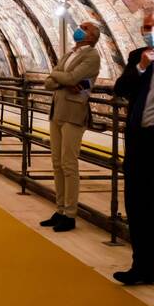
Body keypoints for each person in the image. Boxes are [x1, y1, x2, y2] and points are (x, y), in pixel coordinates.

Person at [112, 11, 154, 285]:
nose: (151, 31)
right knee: (136, 204)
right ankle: (142, 266)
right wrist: (140, 67)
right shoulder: (136, 56)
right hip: (138, 141)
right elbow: (120, 89)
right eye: (146, 27)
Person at [41, 22, 102, 232]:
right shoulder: (70, 53)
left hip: (74, 112)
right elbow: (49, 81)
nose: (79, 28)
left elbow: (72, 77)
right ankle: (59, 209)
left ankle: (70, 213)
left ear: (92, 35)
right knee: (57, 163)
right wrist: (63, 80)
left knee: (69, 163)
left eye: (84, 27)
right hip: (57, 110)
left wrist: (60, 78)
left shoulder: (92, 56)